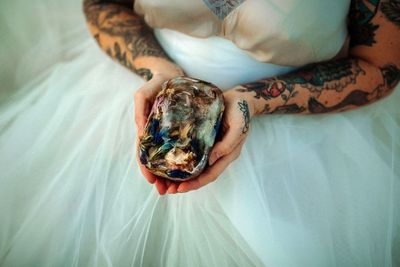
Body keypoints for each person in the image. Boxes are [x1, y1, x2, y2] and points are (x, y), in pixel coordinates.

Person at [0, 0, 399, 266]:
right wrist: (158, 69)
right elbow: (104, 3)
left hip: (301, 130)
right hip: (145, 88)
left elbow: (382, 65)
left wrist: (255, 100)